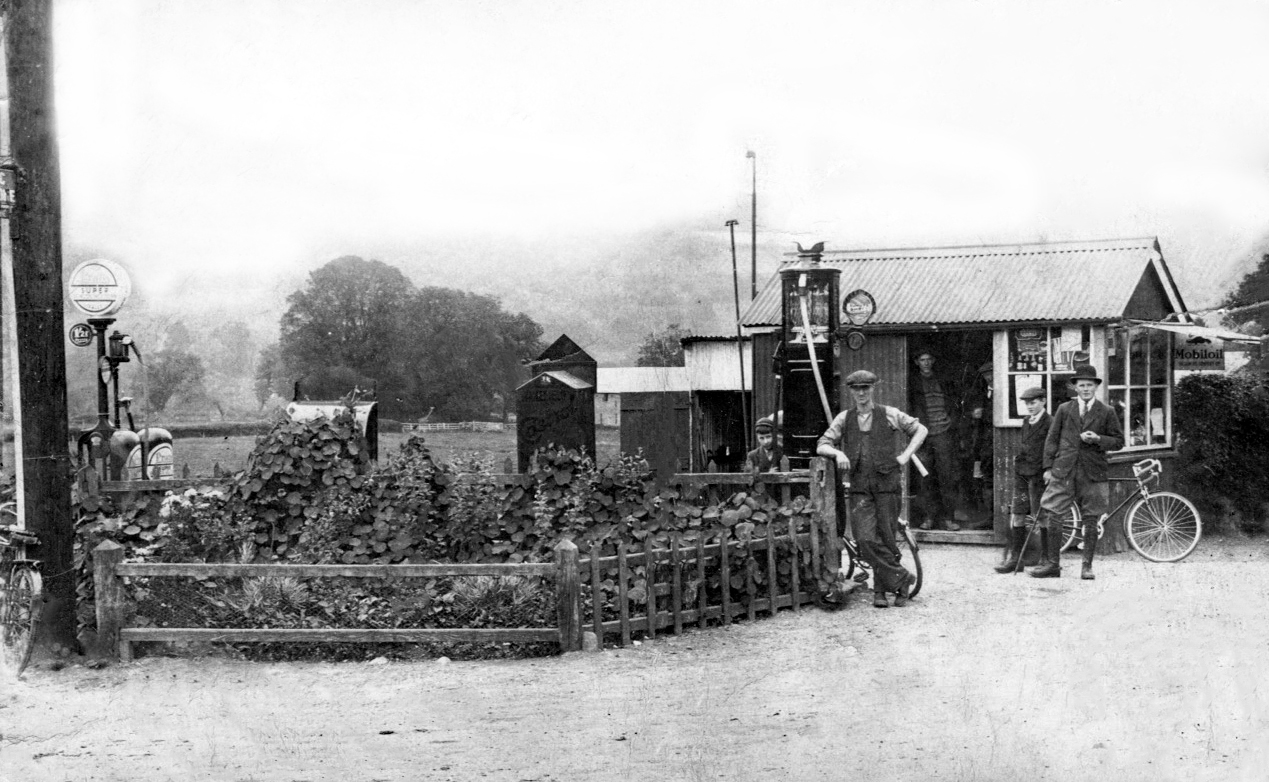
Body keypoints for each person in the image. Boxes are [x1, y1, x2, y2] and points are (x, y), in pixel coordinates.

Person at [817, 370, 928, 608]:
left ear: (873, 389)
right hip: (860, 489)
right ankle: (903, 578)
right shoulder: (844, 419)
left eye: (866, 388)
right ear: (851, 391)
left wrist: (906, 456)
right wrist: (837, 452)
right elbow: (822, 444)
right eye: (857, 389)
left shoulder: (889, 414)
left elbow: (921, 430)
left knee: (887, 538)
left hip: (887, 486)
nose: (861, 393)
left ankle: (882, 591)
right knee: (865, 540)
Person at [1030, 365, 1124, 580]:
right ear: (1075, 387)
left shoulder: (1106, 411)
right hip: (1064, 471)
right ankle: (1053, 564)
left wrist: (1098, 439)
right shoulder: (1064, 409)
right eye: (1081, 385)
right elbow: (1052, 440)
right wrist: (1047, 468)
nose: (1085, 389)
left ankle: (1087, 567)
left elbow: (1118, 442)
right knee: (1054, 514)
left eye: (1089, 385)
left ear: (1096, 387)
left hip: (1092, 472)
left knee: (1091, 518)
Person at [994, 386, 1050, 573]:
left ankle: (1045, 558)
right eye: (1027, 403)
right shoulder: (1026, 421)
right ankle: (1015, 558)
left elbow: (1052, 449)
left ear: (1043, 401)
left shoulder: (1050, 422)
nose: (1030, 406)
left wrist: (1048, 469)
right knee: (1017, 514)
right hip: (1022, 475)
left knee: (1041, 516)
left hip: (1040, 474)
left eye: (1033, 402)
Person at [908, 349, 962, 531]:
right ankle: (929, 517)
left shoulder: (944, 380)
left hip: (943, 433)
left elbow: (955, 403)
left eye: (929, 359)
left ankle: (948, 518)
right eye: (922, 359)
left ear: (934, 360)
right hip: (923, 435)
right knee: (925, 476)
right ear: (917, 362)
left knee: (947, 475)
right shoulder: (913, 382)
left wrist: (951, 422)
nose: (926, 362)